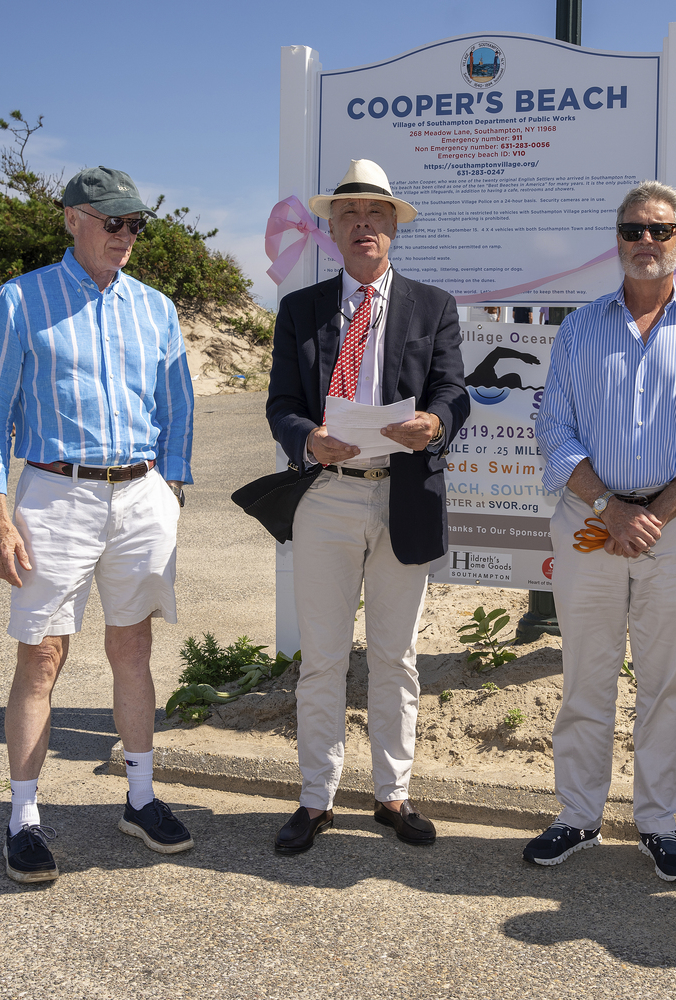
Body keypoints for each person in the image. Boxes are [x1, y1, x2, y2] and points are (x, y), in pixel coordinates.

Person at [0, 166, 196, 883]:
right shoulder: (20, 300)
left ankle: (140, 798)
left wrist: (173, 485)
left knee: (133, 647)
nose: (125, 236)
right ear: (73, 219)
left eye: (135, 225)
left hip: (139, 494)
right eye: (112, 222)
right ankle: (24, 818)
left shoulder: (156, 308)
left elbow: (177, 402)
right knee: (41, 655)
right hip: (54, 494)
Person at [524, 180, 676, 882]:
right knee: (585, 675)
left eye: (659, 231)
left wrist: (655, 512)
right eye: (632, 231)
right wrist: (610, 509)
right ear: (616, 240)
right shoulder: (580, 329)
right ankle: (578, 817)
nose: (645, 243)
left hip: (674, 528)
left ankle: (658, 822)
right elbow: (552, 429)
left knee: (665, 682)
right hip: (590, 521)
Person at [265, 159, 468, 854]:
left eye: (375, 214)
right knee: (321, 657)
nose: (363, 225)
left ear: (391, 227)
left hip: (403, 498)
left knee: (396, 656)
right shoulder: (301, 311)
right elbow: (280, 405)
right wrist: (307, 438)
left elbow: (453, 392)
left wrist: (434, 426)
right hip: (326, 498)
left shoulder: (432, 306)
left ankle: (393, 794)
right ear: (331, 228)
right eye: (349, 214)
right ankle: (315, 798)